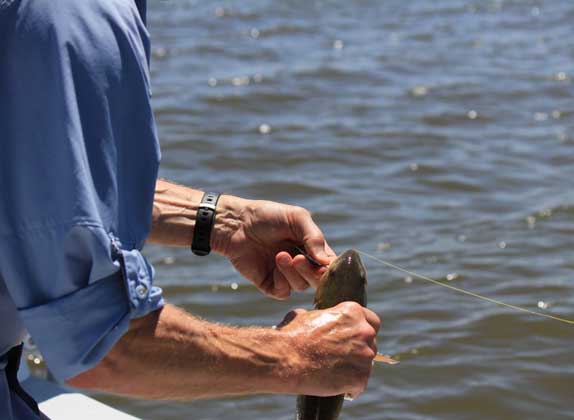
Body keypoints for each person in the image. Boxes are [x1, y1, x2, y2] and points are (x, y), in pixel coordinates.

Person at [0, 0, 380, 418]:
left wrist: (224, 224)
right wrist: (297, 355)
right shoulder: (73, 15)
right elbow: (99, 346)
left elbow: (39, 185)